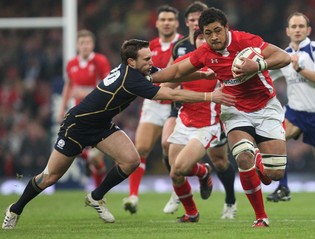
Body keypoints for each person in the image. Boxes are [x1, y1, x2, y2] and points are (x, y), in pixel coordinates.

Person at [2, 39, 235, 230]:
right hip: (77, 126)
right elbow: (171, 94)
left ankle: (95, 197)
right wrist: (208, 96)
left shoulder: (136, 69)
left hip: (101, 124)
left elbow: (168, 74)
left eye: (150, 57)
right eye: (147, 59)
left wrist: (202, 76)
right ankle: (15, 209)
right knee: (50, 176)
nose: (151, 62)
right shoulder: (131, 80)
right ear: (132, 61)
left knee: (131, 160)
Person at [151, 7, 291, 227]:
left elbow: (284, 57)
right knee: (242, 157)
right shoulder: (205, 52)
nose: (214, 37)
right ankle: (261, 217)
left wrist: (258, 65)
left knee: (274, 174)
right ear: (203, 34)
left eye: (218, 31)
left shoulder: (246, 40)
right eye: (208, 33)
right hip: (234, 109)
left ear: (227, 28)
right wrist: (148, 77)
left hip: (266, 107)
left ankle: (259, 162)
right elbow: (177, 72)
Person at [163, 2, 237, 219]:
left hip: (208, 125)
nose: (206, 41)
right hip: (184, 121)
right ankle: (192, 213)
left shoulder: (221, 63)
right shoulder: (184, 62)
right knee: (175, 172)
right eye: (201, 37)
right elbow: (166, 89)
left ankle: (219, 189)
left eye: (208, 37)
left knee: (189, 166)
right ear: (195, 42)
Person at [266, 12, 315, 218]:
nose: (297, 29)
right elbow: (267, 76)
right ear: (287, 31)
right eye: (293, 26)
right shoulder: (284, 56)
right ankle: (284, 187)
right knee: (276, 139)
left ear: (308, 30)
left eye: (301, 26)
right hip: (295, 113)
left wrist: (299, 68)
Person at [122, 5, 183, 214]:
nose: (166, 22)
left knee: (169, 147)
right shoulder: (148, 47)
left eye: (170, 19)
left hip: (176, 103)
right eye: (163, 19)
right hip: (153, 102)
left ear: (176, 23)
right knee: (141, 148)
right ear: (156, 23)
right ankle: (133, 196)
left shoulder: (183, 45)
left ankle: (178, 192)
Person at [58, 29, 111, 188]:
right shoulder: (71, 64)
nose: (85, 46)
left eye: (88, 43)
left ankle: (98, 191)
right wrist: (62, 107)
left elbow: (108, 84)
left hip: (97, 112)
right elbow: (69, 85)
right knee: (70, 146)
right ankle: (93, 162)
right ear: (77, 46)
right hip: (78, 112)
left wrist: (86, 92)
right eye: (82, 43)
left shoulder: (100, 61)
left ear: (93, 45)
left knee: (96, 158)